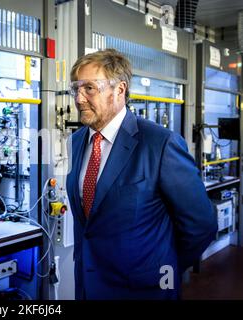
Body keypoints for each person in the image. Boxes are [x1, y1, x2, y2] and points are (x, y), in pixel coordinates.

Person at [65, 48, 217, 300]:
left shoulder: (160, 143)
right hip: (88, 286)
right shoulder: (77, 141)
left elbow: (201, 224)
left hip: (145, 290)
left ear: (120, 90)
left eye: (89, 88)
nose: (79, 99)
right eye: (75, 89)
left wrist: (161, 265)